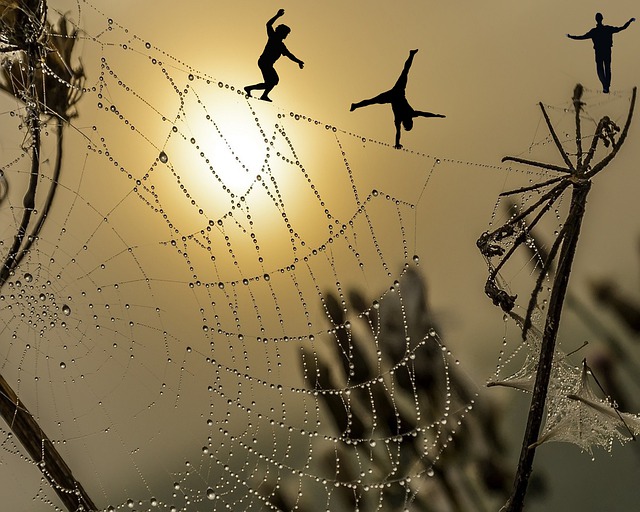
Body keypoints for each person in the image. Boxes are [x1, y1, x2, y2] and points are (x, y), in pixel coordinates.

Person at [350, 49, 445, 149]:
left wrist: (397, 143)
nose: (409, 120)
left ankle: (355, 105)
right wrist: (437, 116)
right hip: (398, 91)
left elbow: (398, 132)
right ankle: (411, 54)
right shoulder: (410, 114)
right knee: (405, 72)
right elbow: (425, 114)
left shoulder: (401, 118)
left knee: (372, 101)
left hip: (393, 94)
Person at [244, 9, 304, 102]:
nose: (286, 36)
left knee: (272, 82)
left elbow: (289, 55)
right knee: (273, 81)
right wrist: (277, 16)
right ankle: (256, 92)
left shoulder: (281, 46)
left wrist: (298, 61)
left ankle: (253, 90)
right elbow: (268, 24)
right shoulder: (273, 37)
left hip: (266, 64)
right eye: (285, 33)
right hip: (264, 62)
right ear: (281, 32)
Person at [567, 13, 635, 93]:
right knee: (606, 69)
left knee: (600, 70)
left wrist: (571, 36)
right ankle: (606, 86)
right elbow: (622, 28)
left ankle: (605, 86)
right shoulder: (607, 29)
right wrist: (629, 21)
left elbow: (581, 37)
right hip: (606, 51)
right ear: (602, 18)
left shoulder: (595, 31)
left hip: (599, 52)